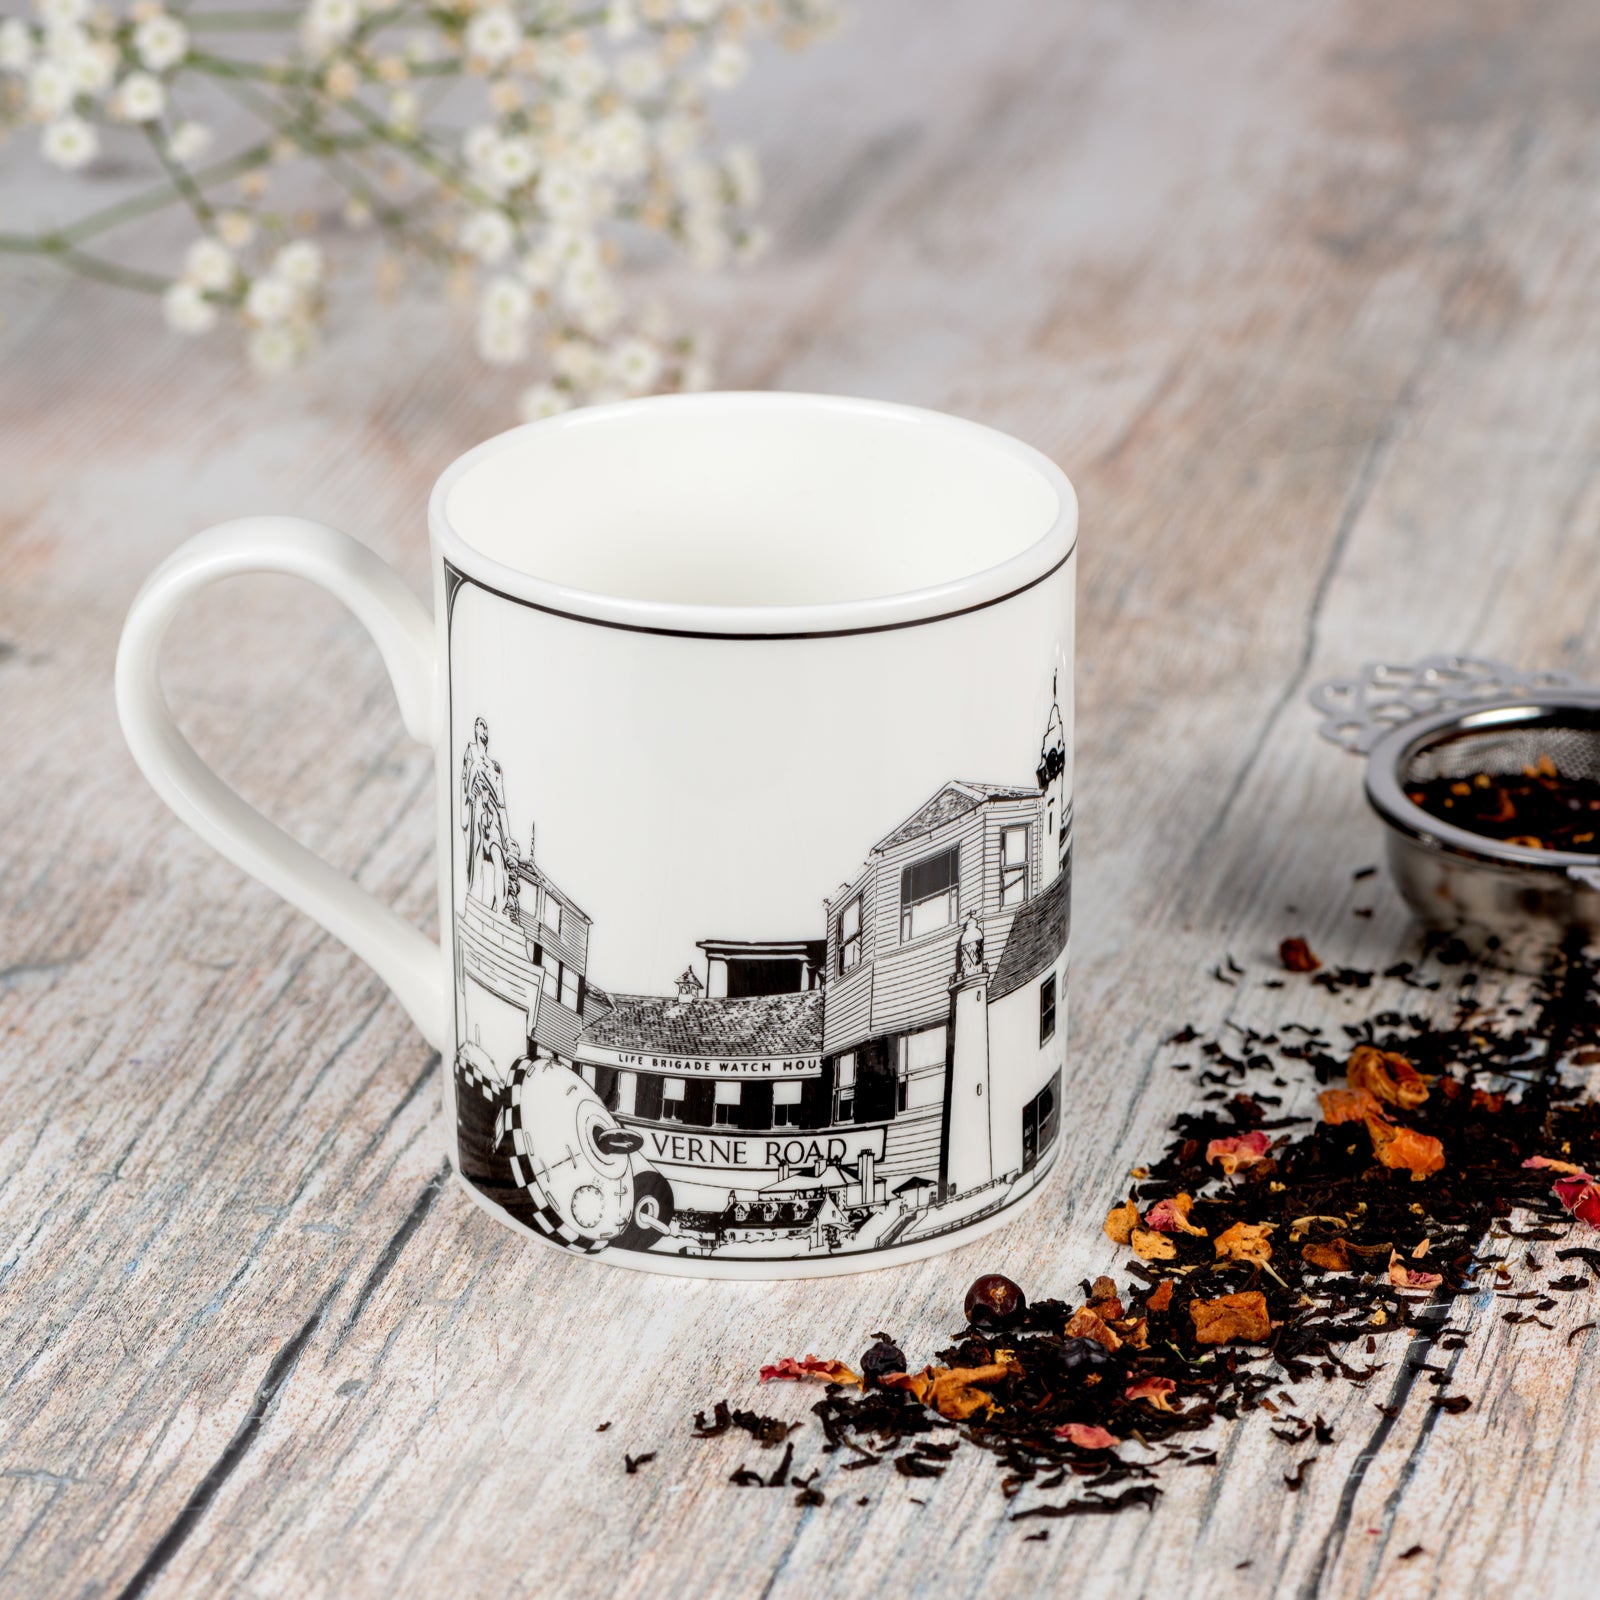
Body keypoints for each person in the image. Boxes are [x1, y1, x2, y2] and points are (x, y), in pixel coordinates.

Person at [461, 717, 513, 908]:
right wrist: (471, 790)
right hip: (478, 813)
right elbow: (466, 786)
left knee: (499, 861)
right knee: (479, 863)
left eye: (484, 726)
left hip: (493, 818)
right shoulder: (471, 753)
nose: (481, 729)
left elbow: (502, 805)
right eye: (478, 726)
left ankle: (500, 910)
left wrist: (507, 838)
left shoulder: (495, 768)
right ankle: (479, 903)